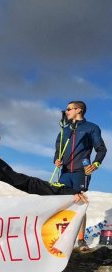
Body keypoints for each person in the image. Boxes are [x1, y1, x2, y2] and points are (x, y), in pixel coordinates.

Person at [54, 101, 107, 251]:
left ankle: (81, 240)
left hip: (80, 172)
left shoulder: (91, 128)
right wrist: (56, 160)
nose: (66, 112)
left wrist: (95, 164)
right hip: (64, 172)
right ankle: (61, 240)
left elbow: (101, 149)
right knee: (63, 204)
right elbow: (58, 149)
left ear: (78, 110)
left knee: (79, 204)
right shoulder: (64, 129)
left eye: (68, 109)